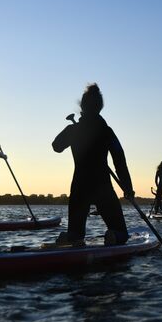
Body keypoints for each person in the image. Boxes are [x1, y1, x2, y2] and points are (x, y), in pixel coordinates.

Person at [52, 83, 134, 247]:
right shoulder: (106, 131)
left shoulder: (74, 129)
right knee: (122, 233)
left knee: (76, 234)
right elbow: (120, 159)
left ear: (82, 106)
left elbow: (56, 146)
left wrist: (70, 130)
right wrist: (127, 188)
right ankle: (113, 235)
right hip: (101, 185)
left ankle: (71, 237)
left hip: (79, 187)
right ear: (100, 107)